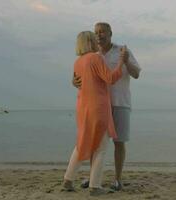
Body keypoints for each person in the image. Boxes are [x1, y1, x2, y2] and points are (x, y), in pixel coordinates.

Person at [73, 22, 141, 191]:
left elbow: (136, 73)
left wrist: (125, 61)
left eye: (103, 31)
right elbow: (79, 79)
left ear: (110, 33)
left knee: (119, 142)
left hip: (120, 102)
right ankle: (93, 179)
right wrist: (73, 82)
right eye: (96, 32)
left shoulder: (122, 51)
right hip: (98, 106)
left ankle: (117, 179)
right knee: (94, 142)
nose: (99, 35)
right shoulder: (92, 55)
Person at [62, 31, 125, 196]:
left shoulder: (77, 62)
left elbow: (77, 82)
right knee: (100, 147)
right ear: (90, 41)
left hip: (83, 107)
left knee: (82, 142)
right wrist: (121, 62)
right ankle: (95, 186)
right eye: (94, 38)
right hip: (98, 107)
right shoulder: (95, 58)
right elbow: (110, 78)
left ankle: (68, 179)